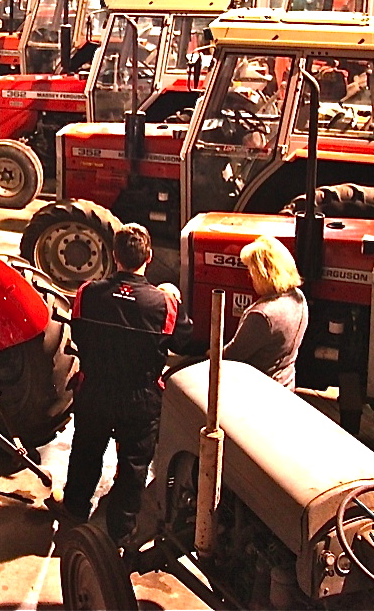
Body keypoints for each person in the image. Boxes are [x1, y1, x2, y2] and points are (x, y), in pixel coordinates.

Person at [58, 224, 193, 547]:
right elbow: (185, 342)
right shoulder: (165, 305)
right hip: (141, 397)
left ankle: (75, 510)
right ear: (149, 256)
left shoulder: (88, 293)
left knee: (86, 451)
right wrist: (172, 297)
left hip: (96, 392)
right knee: (134, 464)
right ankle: (121, 529)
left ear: (114, 256)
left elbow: (78, 335)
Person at [223, 235, 308, 388]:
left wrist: (211, 354)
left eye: (251, 271)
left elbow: (233, 355)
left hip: (259, 391)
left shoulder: (262, 315)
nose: (249, 276)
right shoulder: (298, 298)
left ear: (264, 274)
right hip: (286, 385)